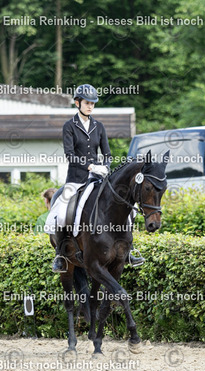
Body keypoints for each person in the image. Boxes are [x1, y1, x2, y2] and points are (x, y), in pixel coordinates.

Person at [45, 83, 144, 273]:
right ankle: (60, 255)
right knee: (62, 212)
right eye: (87, 103)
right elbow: (70, 154)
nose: (90, 106)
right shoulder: (69, 126)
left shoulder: (99, 126)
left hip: (98, 178)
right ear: (77, 103)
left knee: (127, 208)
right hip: (76, 179)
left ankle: (129, 250)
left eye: (92, 103)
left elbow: (107, 153)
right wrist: (90, 166)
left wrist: (105, 167)